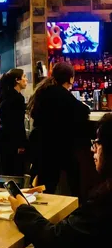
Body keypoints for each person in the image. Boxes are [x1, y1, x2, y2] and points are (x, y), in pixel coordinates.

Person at [0, 113, 112, 248]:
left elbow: (55, 241)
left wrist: (22, 209)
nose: (92, 149)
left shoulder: (105, 199)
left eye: (97, 143)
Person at [28, 62, 92, 199]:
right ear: (70, 79)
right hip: (60, 146)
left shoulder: (43, 91)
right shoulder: (61, 94)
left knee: (46, 186)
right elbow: (83, 111)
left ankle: (43, 214)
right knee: (74, 182)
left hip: (42, 145)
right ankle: (75, 209)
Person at [0, 69, 28, 176]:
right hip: (12, 142)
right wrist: (21, 144)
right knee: (16, 174)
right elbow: (17, 124)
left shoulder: (6, 95)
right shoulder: (17, 98)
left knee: (7, 174)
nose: (26, 80)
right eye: (24, 77)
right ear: (17, 80)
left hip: (4, 140)